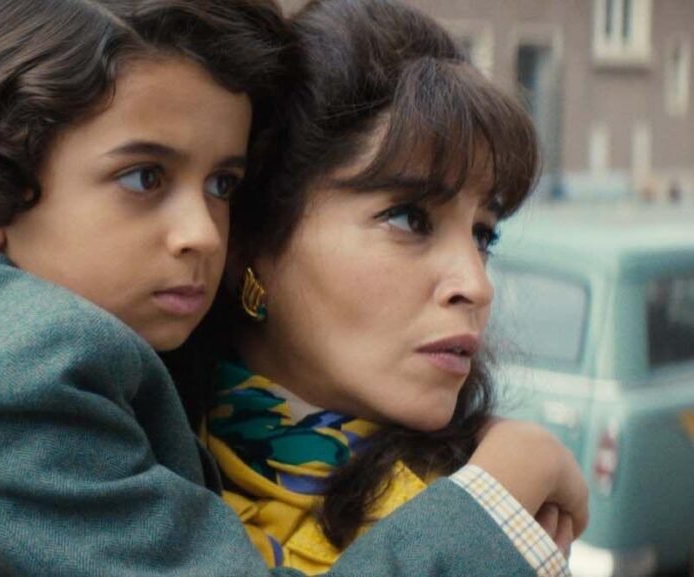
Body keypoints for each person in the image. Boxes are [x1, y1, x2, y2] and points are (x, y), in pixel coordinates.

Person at [0, 1, 582, 576]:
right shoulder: (16, 377)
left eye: (223, 184)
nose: (202, 232)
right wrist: (494, 494)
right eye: (143, 177)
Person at [166, 0, 588, 575]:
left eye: (483, 235)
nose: (476, 285)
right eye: (410, 218)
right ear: (251, 240)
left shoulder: (512, 526)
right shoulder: (120, 460)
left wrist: (492, 502)